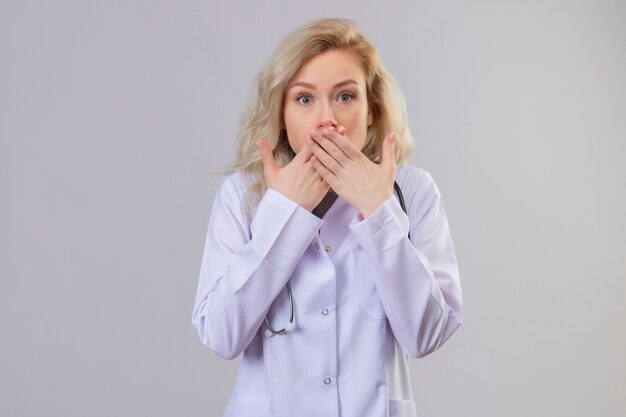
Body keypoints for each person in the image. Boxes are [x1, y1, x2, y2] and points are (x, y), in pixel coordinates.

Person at [191, 18, 463, 417]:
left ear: (371, 110)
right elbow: (221, 335)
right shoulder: (243, 196)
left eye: (346, 96)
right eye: (304, 99)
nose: (327, 119)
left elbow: (426, 335)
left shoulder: (412, 191)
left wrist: (378, 211)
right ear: (281, 113)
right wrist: (283, 213)